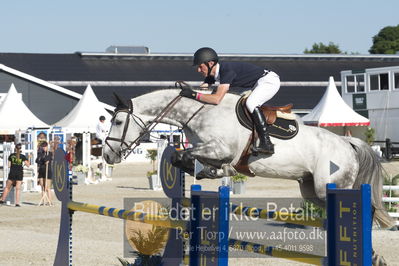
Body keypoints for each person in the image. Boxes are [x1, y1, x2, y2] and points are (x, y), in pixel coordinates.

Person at [179, 47, 280, 154]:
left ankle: (267, 143)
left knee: (251, 103)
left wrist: (194, 95)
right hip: (258, 83)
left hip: (269, 81)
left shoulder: (226, 71)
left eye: (200, 66)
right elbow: (202, 90)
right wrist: (190, 93)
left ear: (210, 63)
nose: (198, 70)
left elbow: (216, 99)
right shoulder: (213, 74)